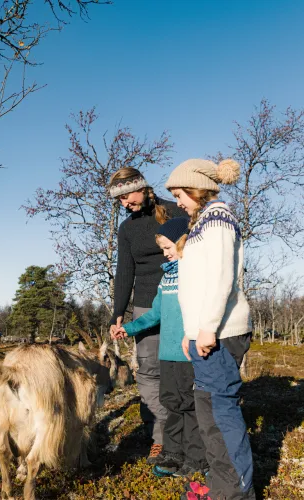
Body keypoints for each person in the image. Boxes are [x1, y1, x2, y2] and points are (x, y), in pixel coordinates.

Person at [165, 158, 255, 500]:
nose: (177, 201)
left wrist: (207, 329)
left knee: (219, 417)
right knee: (208, 415)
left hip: (220, 331)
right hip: (205, 332)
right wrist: (191, 332)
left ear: (198, 188)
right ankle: (222, 487)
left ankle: (235, 494)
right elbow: (194, 286)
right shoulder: (202, 222)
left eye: (180, 193)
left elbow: (220, 277)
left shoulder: (218, 217)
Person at [111, 216, 208, 479]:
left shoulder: (197, 276)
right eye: (163, 249)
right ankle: (173, 452)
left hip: (189, 355)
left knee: (189, 406)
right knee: (171, 404)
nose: (164, 254)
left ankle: (195, 457)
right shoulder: (166, 279)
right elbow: (155, 314)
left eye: (167, 248)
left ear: (183, 243)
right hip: (167, 355)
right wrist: (128, 328)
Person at [108, 167, 185, 464]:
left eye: (127, 195)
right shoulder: (126, 229)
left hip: (181, 298)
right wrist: (118, 312)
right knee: (150, 370)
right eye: (119, 201)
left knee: (182, 368)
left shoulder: (177, 210)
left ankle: (187, 431)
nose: (125, 203)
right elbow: (125, 271)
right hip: (144, 304)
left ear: (142, 187)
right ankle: (159, 437)